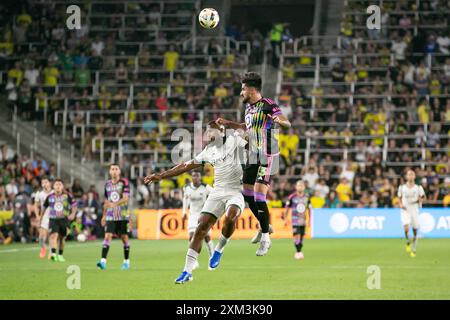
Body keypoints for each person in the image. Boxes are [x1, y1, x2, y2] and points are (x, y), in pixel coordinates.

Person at [144, 121, 247, 284]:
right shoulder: (208, 151)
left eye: (210, 132)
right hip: (217, 191)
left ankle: (219, 248)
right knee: (201, 228)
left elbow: (246, 128)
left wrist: (228, 123)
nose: (207, 135)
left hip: (235, 190)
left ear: (220, 132)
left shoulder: (234, 140)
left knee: (231, 216)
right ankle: (186, 271)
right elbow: (185, 166)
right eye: (206, 133)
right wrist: (161, 176)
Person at [216, 72, 291, 256]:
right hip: (252, 155)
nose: (241, 93)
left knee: (258, 196)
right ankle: (265, 225)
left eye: (243, 89)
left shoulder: (268, 104)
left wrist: (278, 121)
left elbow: (286, 122)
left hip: (267, 155)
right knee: (247, 194)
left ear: (251, 89)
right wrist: (229, 123)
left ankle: (266, 238)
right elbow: (246, 128)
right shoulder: (249, 109)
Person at [97, 164, 131, 270]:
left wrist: (114, 204)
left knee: (124, 238)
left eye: (116, 169)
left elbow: (126, 199)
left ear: (119, 171)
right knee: (107, 236)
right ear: (110, 172)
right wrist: (103, 215)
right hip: (111, 216)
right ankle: (103, 261)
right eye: (112, 169)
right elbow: (106, 202)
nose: (114, 171)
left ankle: (126, 261)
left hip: (123, 215)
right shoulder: (107, 185)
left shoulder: (124, 182)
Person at [182, 170, 214, 269]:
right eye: (193, 176)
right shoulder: (187, 187)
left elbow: (215, 195)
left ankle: (211, 258)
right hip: (193, 215)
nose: (195, 177)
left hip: (204, 214)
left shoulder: (206, 187)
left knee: (206, 237)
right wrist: (184, 212)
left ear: (200, 177)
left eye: (197, 176)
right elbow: (185, 199)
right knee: (191, 236)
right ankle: (194, 260)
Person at [43, 179, 77, 262]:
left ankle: (60, 255)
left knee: (62, 238)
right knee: (53, 236)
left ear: (62, 187)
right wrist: (40, 219)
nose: (58, 186)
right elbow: (44, 208)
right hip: (53, 219)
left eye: (60, 184)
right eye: (56, 184)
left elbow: (74, 205)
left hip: (64, 219)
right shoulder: (49, 197)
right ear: (53, 186)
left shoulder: (67, 196)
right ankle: (54, 255)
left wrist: (72, 214)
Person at [398, 170, 426, 258]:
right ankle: (407, 240)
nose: (410, 176)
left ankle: (413, 248)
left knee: (414, 231)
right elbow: (399, 198)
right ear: (406, 177)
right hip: (405, 210)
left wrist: (420, 201)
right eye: (409, 174)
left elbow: (423, 197)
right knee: (406, 228)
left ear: (414, 177)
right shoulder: (402, 187)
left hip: (414, 210)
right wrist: (400, 204)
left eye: (412, 174)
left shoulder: (418, 187)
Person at [282, 181, 311, 260]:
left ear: (304, 187)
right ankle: (298, 252)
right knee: (297, 235)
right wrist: (285, 219)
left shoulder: (307, 197)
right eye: (298, 186)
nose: (300, 187)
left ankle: (299, 251)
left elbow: (309, 209)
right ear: (296, 187)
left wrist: (309, 220)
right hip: (295, 220)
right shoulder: (292, 197)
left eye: (301, 186)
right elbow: (287, 208)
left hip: (303, 220)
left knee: (301, 237)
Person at [34, 177, 53, 259]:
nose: (44, 184)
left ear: (49, 183)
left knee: (51, 235)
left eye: (46, 182)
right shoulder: (39, 194)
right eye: (43, 183)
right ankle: (43, 248)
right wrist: (37, 216)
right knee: (41, 236)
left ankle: (51, 252)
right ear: (41, 185)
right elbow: (36, 206)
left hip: (53, 215)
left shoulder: (54, 192)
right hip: (43, 216)